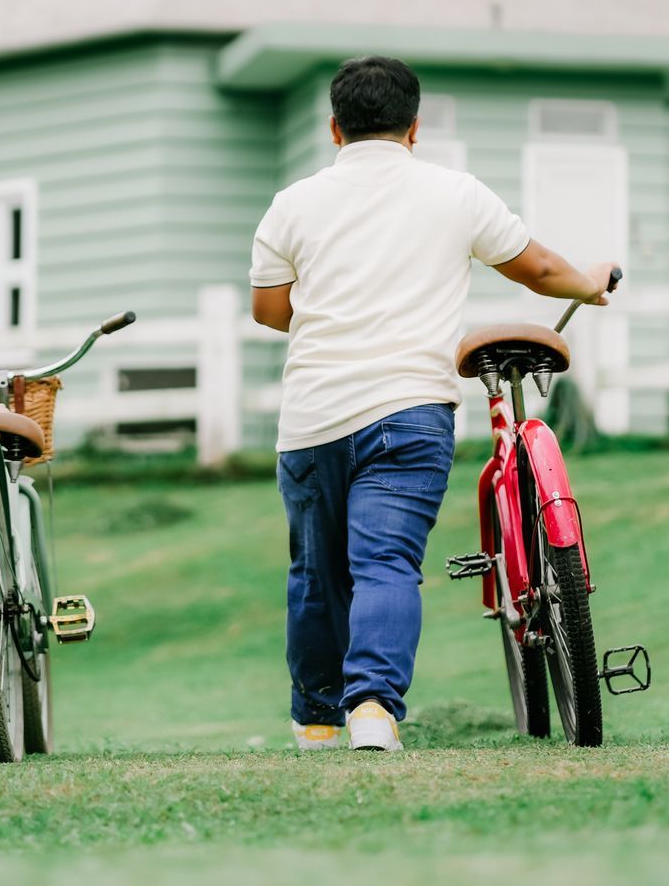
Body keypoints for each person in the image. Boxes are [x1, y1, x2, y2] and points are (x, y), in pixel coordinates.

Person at [249, 57, 620, 752]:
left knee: (315, 576)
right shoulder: (456, 193)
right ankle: (372, 710)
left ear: (334, 128)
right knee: (386, 563)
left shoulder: (291, 205)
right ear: (415, 127)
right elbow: (539, 269)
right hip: (410, 409)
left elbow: (269, 311)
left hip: (312, 419)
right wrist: (590, 284)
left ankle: (318, 721)